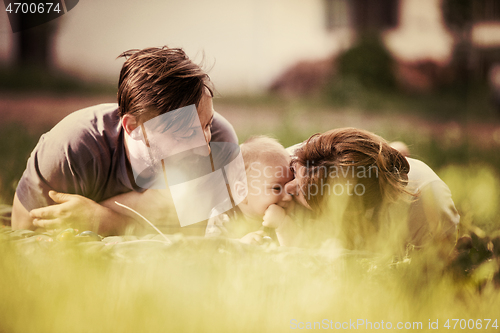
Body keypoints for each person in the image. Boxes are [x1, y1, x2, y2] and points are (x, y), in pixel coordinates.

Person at [11, 47, 238, 236]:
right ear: (134, 127)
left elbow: (209, 236)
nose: (205, 149)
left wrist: (103, 220)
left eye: (206, 125)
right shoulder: (71, 151)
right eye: (185, 134)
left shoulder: (220, 139)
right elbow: (21, 232)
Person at [263, 128, 460, 253]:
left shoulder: (428, 204)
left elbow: (431, 274)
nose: (288, 187)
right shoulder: (296, 159)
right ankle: (396, 150)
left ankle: (397, 151)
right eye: (295, 173)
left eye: (300, 191)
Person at [205, 136, 294, 243]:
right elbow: (212, 251)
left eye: (290, 186)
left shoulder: (289, 214)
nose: (288, 197)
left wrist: (283, 225)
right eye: (276, 188)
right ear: (242, 192)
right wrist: (241, 244)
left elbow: (300, 251)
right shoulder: (223, 215)